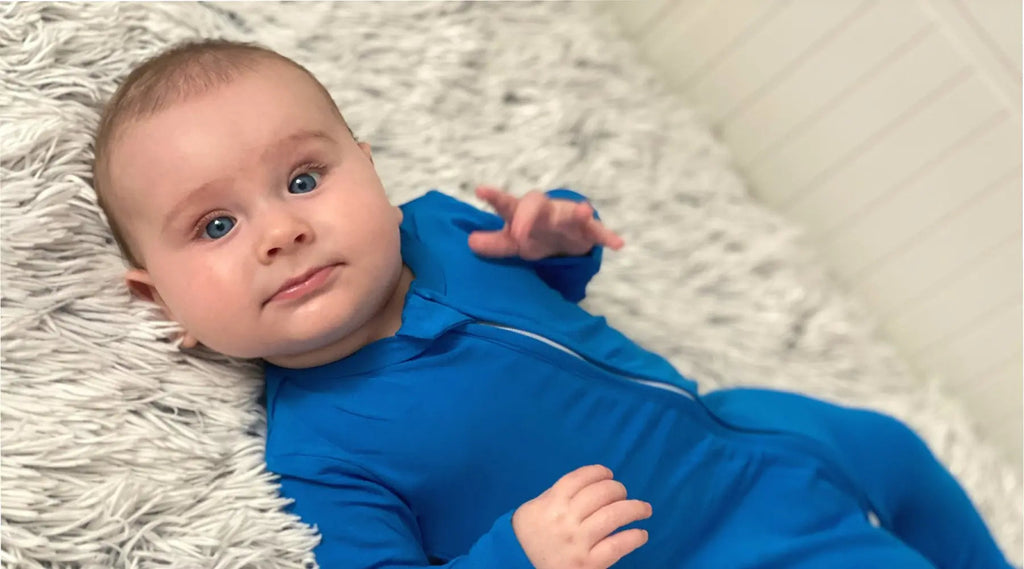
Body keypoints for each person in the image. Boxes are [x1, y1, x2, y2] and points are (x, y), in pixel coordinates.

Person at [90, 39, 1013, 569]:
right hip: (715, 546)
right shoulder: (324, 453)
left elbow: (556, 293)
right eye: (214, 226)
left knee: (894, 447)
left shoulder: (444, 227)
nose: (279, 231)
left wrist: (562, 237)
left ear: (366, 164)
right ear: (159, 300)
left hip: (742, 424)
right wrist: (516, 555)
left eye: (303, 176)